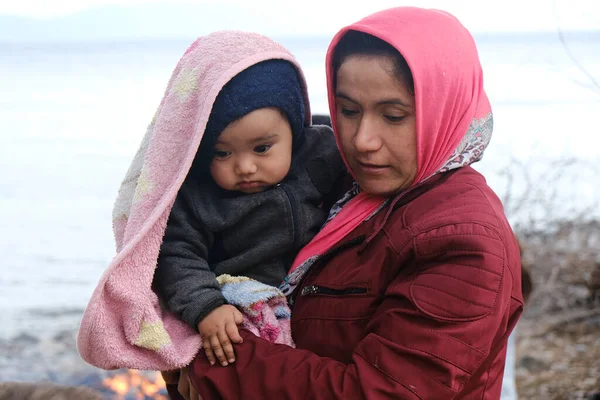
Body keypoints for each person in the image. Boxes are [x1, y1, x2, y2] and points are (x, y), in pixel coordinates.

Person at [178, 7, 524, 399]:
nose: (362, 140)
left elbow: (378, 393)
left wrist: (207, 360)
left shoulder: (462, 243)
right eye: (349, 110)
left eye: (393, 116)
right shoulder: (340, 184)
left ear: (445, 108)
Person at [76, 31, 343, 375]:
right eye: (223, 153)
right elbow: (176, 256)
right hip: (239, 299)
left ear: (294, 129)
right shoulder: (199, 197)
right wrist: (207, 307)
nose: (244, 167)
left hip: (311, 293)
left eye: (262, 148)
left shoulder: (321, 152)